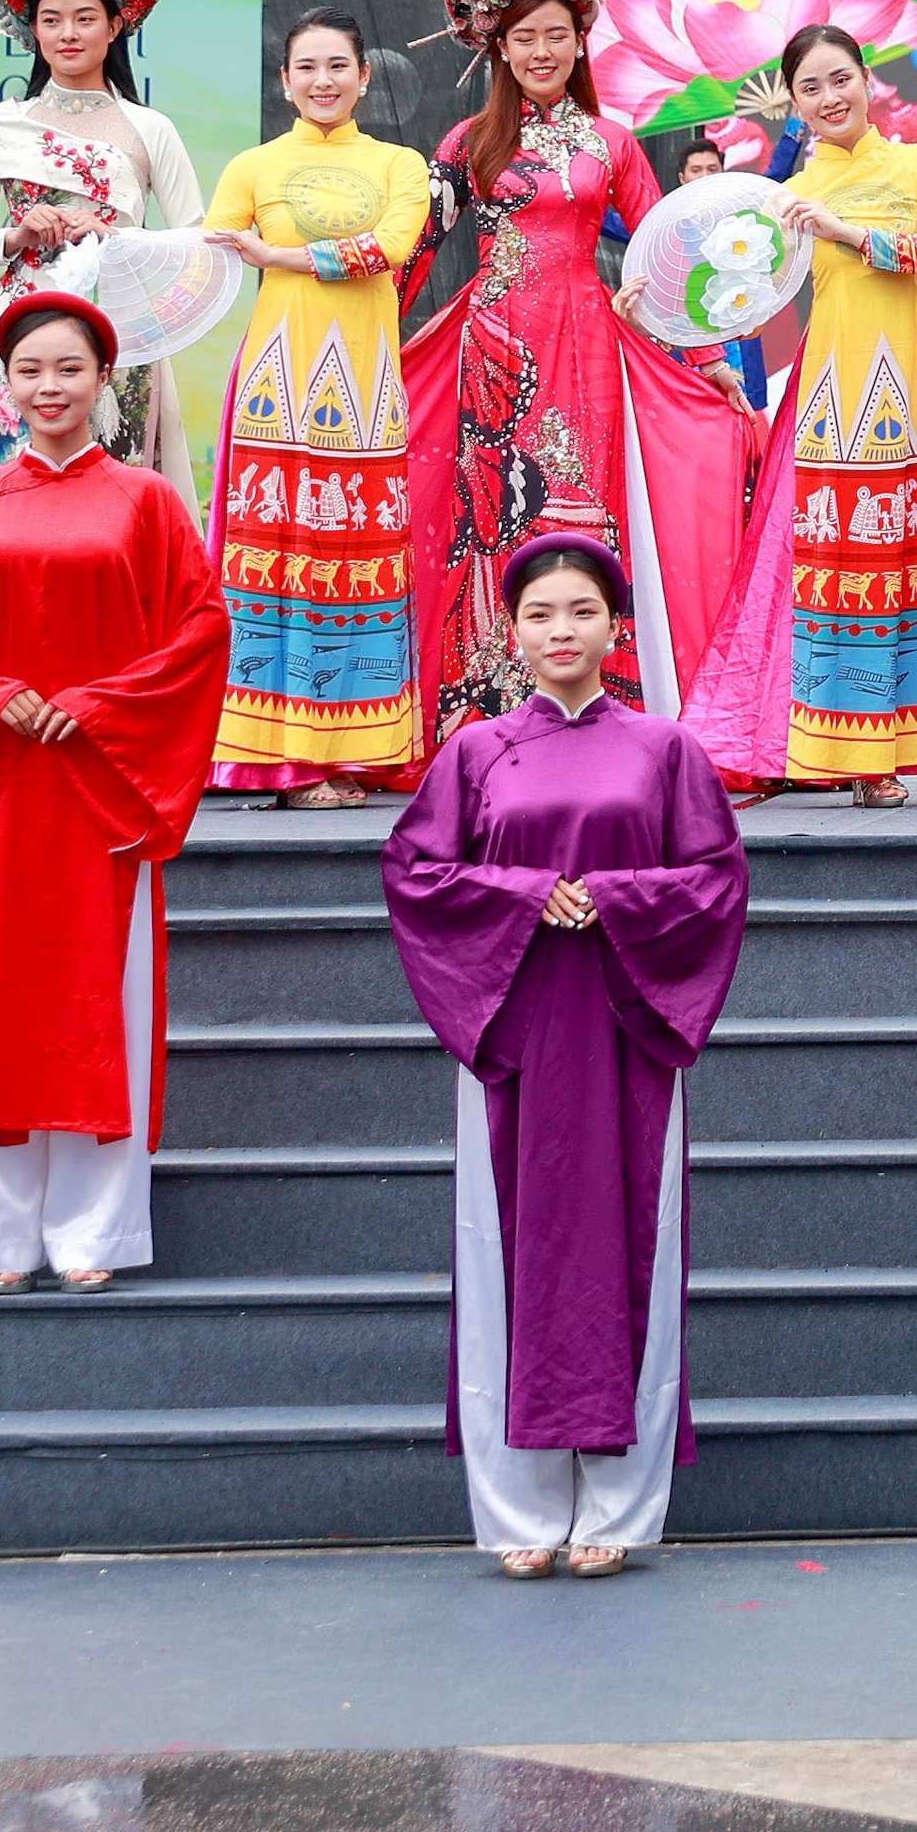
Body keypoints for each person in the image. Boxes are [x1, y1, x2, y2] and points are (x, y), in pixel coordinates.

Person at [381, 533, 749, 1575]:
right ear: (512, 630)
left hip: (627, 1022)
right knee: (506, 1252)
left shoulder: (664, 750)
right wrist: (527, 896)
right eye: (541, 615)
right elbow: (416, 872)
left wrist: (620, 900)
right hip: (516, 1023)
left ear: (613, 625)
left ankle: (623, 1511)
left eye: (581, 612)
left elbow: (716, 876)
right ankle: (518, 1513)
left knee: (636, 1244)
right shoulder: (475, 751)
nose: (561, 632)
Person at [0, 294, 231, 1293]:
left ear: (101, 380)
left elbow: (199, 631)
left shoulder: (148, 504)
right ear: (6, 382)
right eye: (30, 370)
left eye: (68, 369)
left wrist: (98, 705)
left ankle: (94, 1234)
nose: (48, 388)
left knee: (100, 1008)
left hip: (104, 787)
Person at [400, 0, 764, 739]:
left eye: (556, 34)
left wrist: (709, 359)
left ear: (579, 41)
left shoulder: (613, 142)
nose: (541, 50)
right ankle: (489, 700)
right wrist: (363, 337)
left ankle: (601, 706)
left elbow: (667, 247)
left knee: (582, 512)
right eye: (524, 36)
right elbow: (417, 248)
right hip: (492, 349)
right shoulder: (468, 143)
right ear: (499, 44)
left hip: (591, 346)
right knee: (493, 511)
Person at [683, 24, 917, 804]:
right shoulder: (784, 196)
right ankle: (857, 757)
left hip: (913, 390)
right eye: (810, 88)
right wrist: (665, 313)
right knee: (846, 576)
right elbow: (743, 295)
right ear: (794, 103)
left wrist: (844, 232)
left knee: (909, 562)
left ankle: (906, 742)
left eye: (840, 78)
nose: (829, 97)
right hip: (834, 392)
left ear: (866, 79)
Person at [198, 12, 435, 807]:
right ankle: (280, 758)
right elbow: (208, 253)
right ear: (285, 80)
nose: (323, 80)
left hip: (366, 385)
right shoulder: (253, 165)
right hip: (276, 383)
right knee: (276, 561)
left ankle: (354, 747)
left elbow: (392, 249)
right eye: (307, 67)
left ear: (366, 76)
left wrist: (281, 255)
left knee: (354, 560)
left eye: (339, 65)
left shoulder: (401, 163)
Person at [0, 0, 207, 486]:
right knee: (22, 483)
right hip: (24, 328)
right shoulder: (4, 125)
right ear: (31, 30)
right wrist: (17, 235)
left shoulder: (149, 128)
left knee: (117, 484)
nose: (68, 34)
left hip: (121, 327)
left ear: (114, 27)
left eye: (85, 19)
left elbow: (198, 242)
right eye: (51, 20)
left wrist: (116, 238)